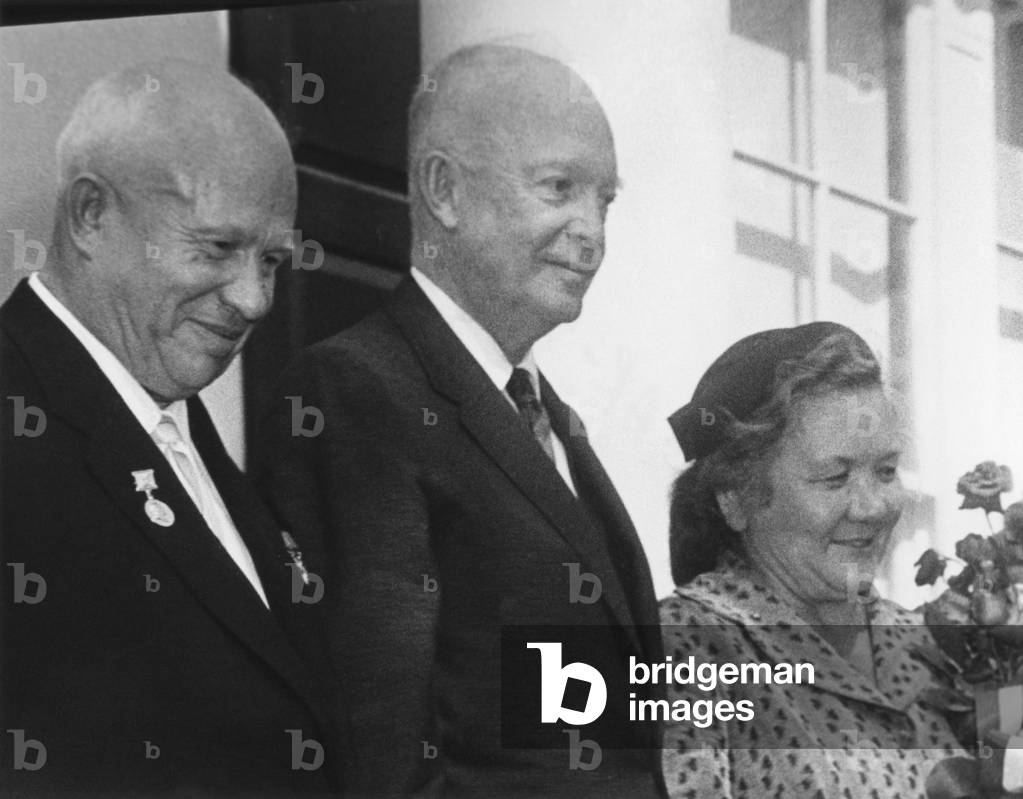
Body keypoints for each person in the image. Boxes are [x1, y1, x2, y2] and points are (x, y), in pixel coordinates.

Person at [257, 43, 663, 798]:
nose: (591, 231)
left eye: (604, 199)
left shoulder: (550, 420)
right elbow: (380, 751)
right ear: (444, 190)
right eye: (558, 187)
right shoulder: (358, 392)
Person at [0, 60, 341, 795]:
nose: (253, 300)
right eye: (217, 248)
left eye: (272, 261)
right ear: (91, 215)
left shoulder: (178, 427)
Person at [659, 322, 966, 798]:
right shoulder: (689, 645)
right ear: (736, 497)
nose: (872, 508)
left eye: (886, 471)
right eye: (834, 479)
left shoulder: (916, 639)